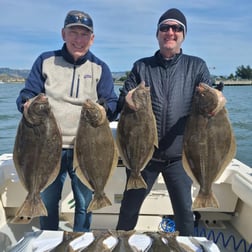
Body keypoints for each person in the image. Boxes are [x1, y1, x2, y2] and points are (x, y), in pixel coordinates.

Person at [16, 10, 118, 231]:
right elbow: (27, 93)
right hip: (47, 148)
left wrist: (105, 108)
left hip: (86, 148)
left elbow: (111, 102)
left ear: (92, 39)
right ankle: (49, 240)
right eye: (74, 32)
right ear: (63, 34)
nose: (78, 39)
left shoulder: (100, 68)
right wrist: (26, 102)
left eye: (84, 34)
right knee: (49, 202)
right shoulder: (45, 61)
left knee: (84, 204)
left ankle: (81, 240)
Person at [116, 8, 212, 236]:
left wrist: (215, 97)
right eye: (165, 28)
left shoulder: (196, 65)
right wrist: (127, 99)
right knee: (128, 209)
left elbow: (208, 94)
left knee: (184, 213)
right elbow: (121, 101)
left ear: (183, 35)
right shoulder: (142, 66)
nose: (170, 32)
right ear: (157, 34)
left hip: (179, 157)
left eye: (176, 28)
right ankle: (121, 242)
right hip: (144, 156)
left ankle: (187, 244)